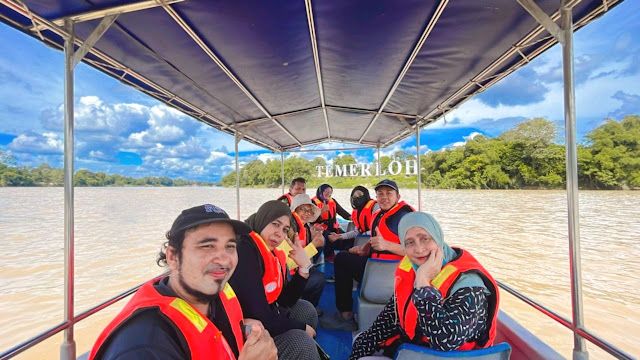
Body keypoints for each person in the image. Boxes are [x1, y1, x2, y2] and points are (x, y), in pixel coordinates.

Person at [89, 204, 277, 360]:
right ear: (172, 256)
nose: (223, 259)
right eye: (207, 246)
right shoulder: (145, 345)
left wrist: (244, 326)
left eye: (229, 246)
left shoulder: (212, 294)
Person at [349, 212, 500, 359]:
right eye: (410, 242)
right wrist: (362, 346)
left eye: (425, 239)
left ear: (438, 237)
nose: (419, 249)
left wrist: (423, 284)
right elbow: (390, 317)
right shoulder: (412, 266)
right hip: (414, 349)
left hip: (445, 355)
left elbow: (445, 341)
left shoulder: (470, 287)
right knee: (361, 340)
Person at [229, 200, 320, 360]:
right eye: (275, 224)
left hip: (270, 314)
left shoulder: (270, 253)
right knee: (302, 343)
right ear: (263, 219)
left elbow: (285, 300)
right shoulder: (245, 250)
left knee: (306, 309)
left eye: (285, 230)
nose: (280, 234)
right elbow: (259, 315)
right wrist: (301, 327)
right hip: (249, 333)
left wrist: (304, 267)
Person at [320, 179, 414, 331]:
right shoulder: (379, 214)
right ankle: (346, 313)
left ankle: (345, 315)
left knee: (341, 260)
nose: (384, 197)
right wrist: (365, 248)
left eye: (389, 193)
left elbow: (419, 251)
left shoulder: (406, 217)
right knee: (343, 257)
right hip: (375, 267)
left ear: (398, 196)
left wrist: (386, 245)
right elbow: (377, 238)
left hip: (394, 275)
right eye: (380, 193)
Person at [282, 194, 326, 311]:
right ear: (295, 210)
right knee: (318, 279)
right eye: (303, 209)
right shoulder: (288, 228)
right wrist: (314, 245)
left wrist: (313, 239)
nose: (307, 213)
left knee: (317, 274)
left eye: (309, 211)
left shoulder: (304, 227)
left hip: (297, 269)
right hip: (286, 277)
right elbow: (288, 263)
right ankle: (305, 309)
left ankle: (305, 305)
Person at [312, 183, 352, 262]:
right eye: (326, 191)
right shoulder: (313, 202)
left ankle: (345, 256)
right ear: (320, 192)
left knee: (349, 239)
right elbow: (310, 220)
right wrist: (321, 212)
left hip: (333, 227)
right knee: (329, 237)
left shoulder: (332, 201)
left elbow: (342, 212)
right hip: (320, 229)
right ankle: (328, 255)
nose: (328, 194)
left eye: (330, 192)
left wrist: (353, 218)